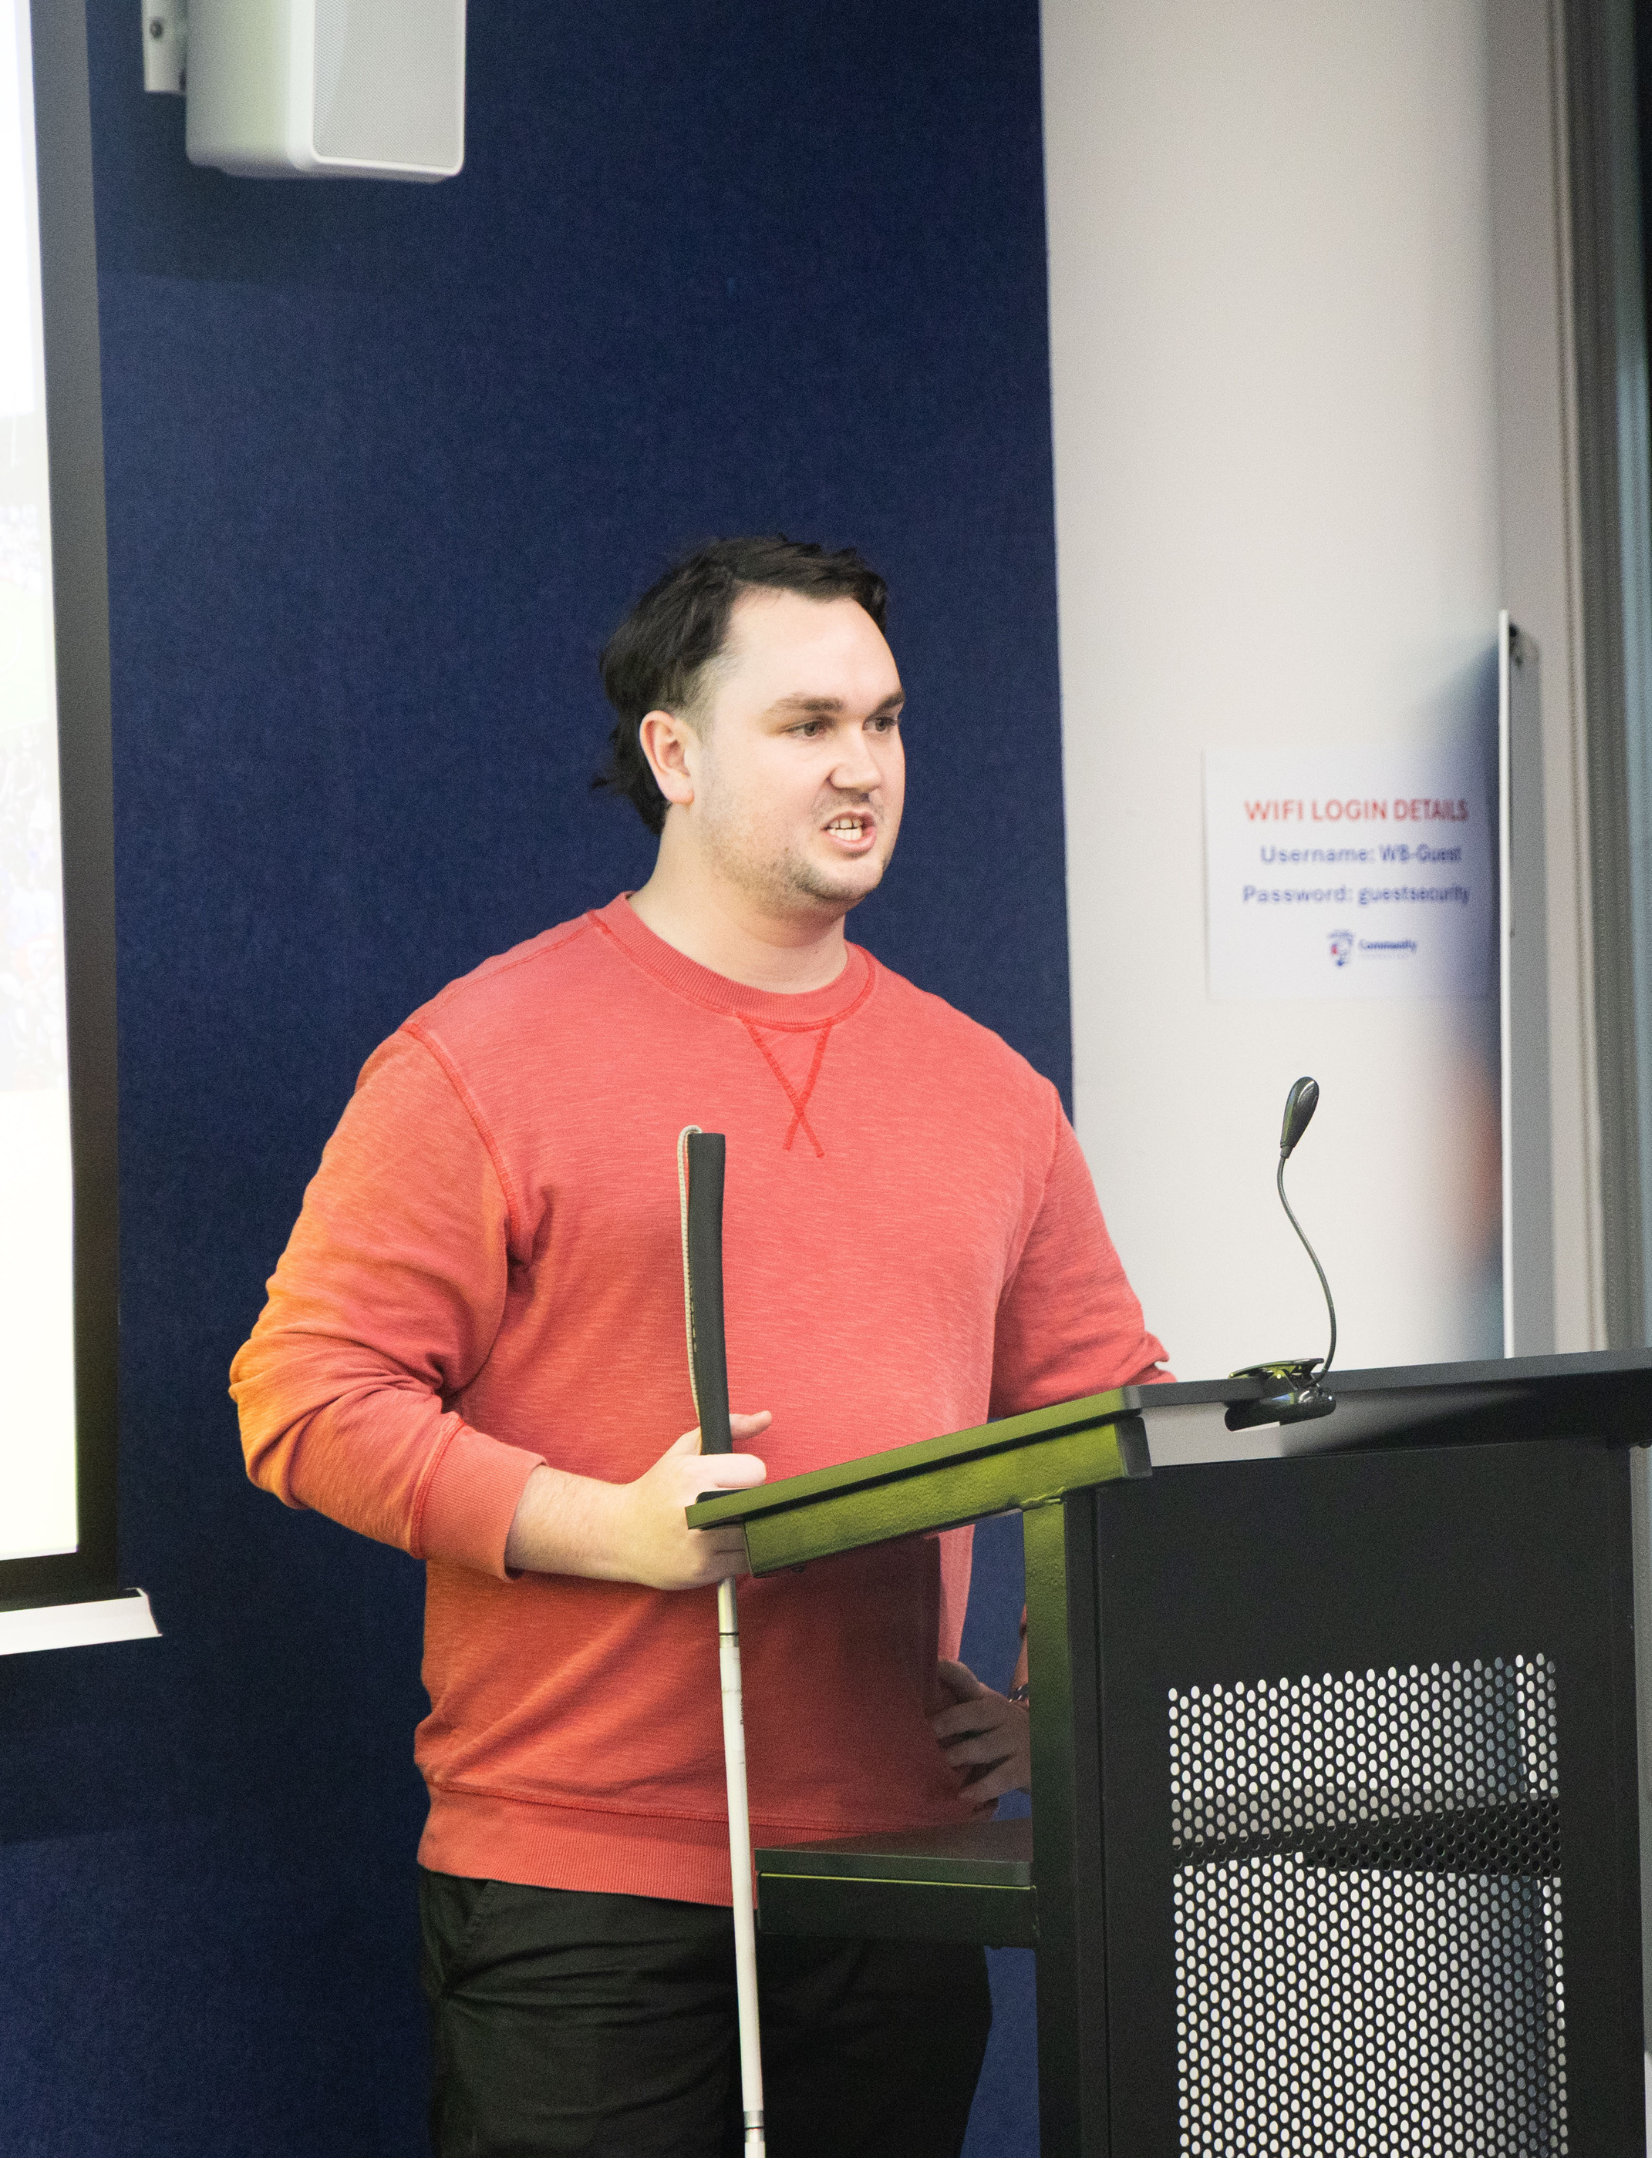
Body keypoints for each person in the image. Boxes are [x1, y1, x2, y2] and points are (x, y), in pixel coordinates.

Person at [231, 536, 1165, 2157]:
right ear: (673, 752)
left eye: (884, 720)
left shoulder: (990, 1092)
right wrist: (611, 1527)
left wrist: (1056, 1707)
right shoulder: (482, 1052)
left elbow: (1116, 1420)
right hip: (586, 1893)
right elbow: (304, 1397)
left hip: (896, 1882)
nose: (863, 765)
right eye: (807, 724)